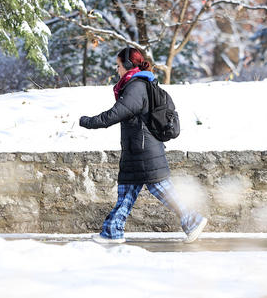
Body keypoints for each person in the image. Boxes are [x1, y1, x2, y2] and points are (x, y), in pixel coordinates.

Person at [79, 47, 207, 244]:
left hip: (143, 151)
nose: (117, 70)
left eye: (119, 66)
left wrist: (87, 121)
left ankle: (192, 220)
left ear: (129, 65)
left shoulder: (136, 87)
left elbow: (115, 114)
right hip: (139, 149)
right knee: (128, 191)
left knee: (159, 189)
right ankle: (113, 230)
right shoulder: (139, 84)